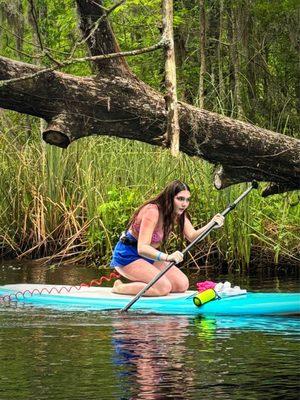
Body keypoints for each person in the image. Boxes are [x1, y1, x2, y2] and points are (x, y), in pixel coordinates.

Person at [110, 180, 224, 296]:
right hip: (128, 255)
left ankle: (148, 283)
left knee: (182, 285)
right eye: (180, 199)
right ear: (169, 198)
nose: (184, 204)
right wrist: (167, 257)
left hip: (148, 257)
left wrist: (211, 225)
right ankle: (119, 287)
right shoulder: (152, 211)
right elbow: (142, 248)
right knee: (163, 288)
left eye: (187, 199)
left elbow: (192, 236)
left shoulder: (177, 213)